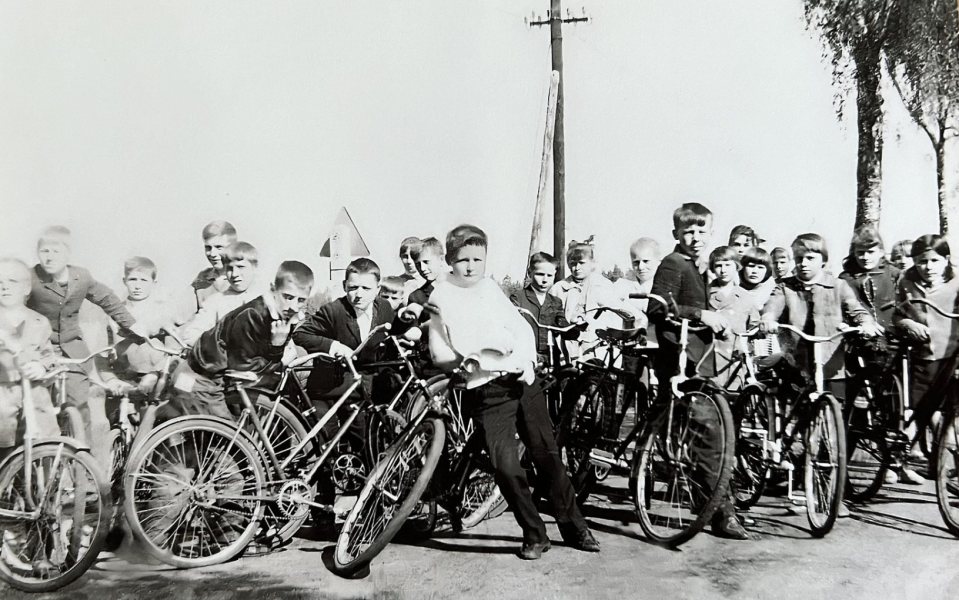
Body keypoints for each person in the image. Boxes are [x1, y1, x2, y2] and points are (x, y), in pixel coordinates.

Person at [428, 224, 599, 559]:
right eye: (463, 260)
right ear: (449, 260)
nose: (471, 267)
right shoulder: (441, 296)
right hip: (486, 391)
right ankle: (534, 533)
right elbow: (439, 351)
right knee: (505, 465)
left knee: (546, 455)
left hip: (521, 381)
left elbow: (520, 327)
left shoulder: (490, 288)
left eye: (478, 259)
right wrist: (465, 361)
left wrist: (525, 359)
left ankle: (575, 526)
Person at [647, 203, 746, 539]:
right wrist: (703, 315)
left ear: (711, 232)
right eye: (688, 231)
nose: (695, 237)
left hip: (697, 359)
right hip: (680, 360)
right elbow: (657, 306)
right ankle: (721, 513)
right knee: (710, 433)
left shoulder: (699, 266)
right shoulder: (673, 262)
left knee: (701, 432)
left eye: (702, 231)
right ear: (676, 233)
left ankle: (710, 505)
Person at [27, 226, 143, 468]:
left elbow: (106, 298)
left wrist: (133, 325)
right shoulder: (30, 279)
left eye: (56, 251)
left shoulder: (81, 277)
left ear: (68, 253)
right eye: (44, 251)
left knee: (79, 409)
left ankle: (84, 470)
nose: (49, 257)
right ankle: (38, 469)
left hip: (73, 351)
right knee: (40, 412)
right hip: (39, 351)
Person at [159, 261, 313, 422]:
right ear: (273, 289)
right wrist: (277, 347)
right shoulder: (252, 315)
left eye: (301, 300)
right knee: (224, 434)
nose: (294, 307)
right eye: (288, 297)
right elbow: (245, 369)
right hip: (199, 378)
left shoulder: (285, 315)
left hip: (213, 377)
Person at [292, 258, 405, 455]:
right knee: (325, 447)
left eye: (366, 288)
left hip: (358, 390)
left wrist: (409, 329)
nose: (358, 294)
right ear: (345, 286)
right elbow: (300, 333)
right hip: (326, 389)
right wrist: (332, 345)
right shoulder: (333, 310)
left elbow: (394, 330)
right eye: (353, 288)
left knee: (366, 445)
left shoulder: (384, 308)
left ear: (377, 289)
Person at [761, 233, 882, 381]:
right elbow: (772, 306)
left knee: (835, 393)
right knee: (793, 389)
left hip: (830, 362)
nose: (803, 263)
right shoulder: (785, 287)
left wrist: (866, 323)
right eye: (799, 258)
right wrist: (768, 319)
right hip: (796, 361)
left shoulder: (838, 285)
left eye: (810, 258)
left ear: (823, 260)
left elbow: (856, 309)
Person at [892, 234, 959, 480]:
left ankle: (946, 461)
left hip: (952, 355)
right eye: (922, 261)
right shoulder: (906, 282)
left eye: (934, 261)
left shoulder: (956, 283)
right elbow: (897, 315)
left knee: (950, 413)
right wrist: (908, 323)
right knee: (927, 411)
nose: (928, 267)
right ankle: (929, 462)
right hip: (923, 357)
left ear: (946, 260)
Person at [0, 258, 60, 460]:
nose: (5, 287)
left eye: (12, 281)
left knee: (45, 434)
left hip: (33, 391)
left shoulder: (39, 321)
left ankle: (46, 472)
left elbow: (48, 354)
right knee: (4, 433)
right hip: (3, 391)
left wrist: (41, 367)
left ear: (26, 288)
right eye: (0, 282)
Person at [112, 256, 182, 393]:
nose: (137, 286)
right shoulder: (117, 310)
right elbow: (110, 345)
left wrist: (156, 372)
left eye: (144, 280)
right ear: (124, 281)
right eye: (132, 279)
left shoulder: (162, 310)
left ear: (154, 283)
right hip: (124, 371)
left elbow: (174, 347)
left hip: (156, 371)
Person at [180, 242, 261, 345]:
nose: (234, 274)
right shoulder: (216, 301)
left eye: (240, 267)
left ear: (255, 267)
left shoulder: (267, 297)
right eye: (229, 268)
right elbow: (192, 334)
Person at [706, 246, 758, 384]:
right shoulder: (705, 294)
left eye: (728, 265)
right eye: (718, 266)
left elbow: (754, 327)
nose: (723, 270)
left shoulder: (746, 297)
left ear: (736, 266)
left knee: (735, 391)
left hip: (735, 359)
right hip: (710, 357)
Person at [509, 252, 572, 364]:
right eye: (540, 274)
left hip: (551, 357)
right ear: (530, 273)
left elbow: (561, 323)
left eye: (549, 276)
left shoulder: (556, 301)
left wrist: (574, 328)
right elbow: (512, 329)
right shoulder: (518, 298)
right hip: (526, 357)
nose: (545, 280)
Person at [191, 220, 238, 311]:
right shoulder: (202, 278)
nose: (212, 253)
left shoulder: (243, 278)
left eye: (219, 247)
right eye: (208, 248)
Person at [614, 237, 660, 316]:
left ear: (658, 262)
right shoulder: (622, 286)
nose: (641, 267)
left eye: (646, 261)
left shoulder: (663, 287)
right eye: (636, 262)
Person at [739, 247, 776, 312]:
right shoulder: (734, 287)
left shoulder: (772, 292)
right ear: (743, 268)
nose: (755, 271)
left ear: (767, 271)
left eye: (760, 267)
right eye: (751, 266)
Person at [397, 236, 425, 302]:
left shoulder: (430, 281)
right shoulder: (396, 283)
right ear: (400, 257)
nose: (409, 261)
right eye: (405, 256)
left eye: (413, 256)